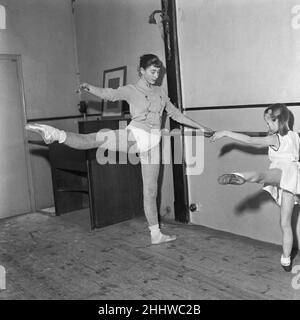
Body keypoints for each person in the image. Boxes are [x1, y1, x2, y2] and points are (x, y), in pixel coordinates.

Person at [26, 54, 213, 245]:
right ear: (141, 71)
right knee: (95, 139)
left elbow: (176, 115)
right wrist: (90, 88)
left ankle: (155, 234)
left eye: (158, 71)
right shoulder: (131, 90)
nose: (156, 75)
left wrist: (201, 127)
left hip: (153, 144)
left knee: (150, 192)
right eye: (152, 71)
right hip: (135, 136)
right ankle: (55, 134)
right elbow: (110, 94)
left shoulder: (161, 93)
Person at [211, 103, 299, 271]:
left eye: (268, 122)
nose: (267, 126)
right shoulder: (295, 136)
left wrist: (226, 132)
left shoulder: (275, 138)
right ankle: (286, 259)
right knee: (285, 223)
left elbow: (250, 140)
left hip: (281, 171)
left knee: (261, 176)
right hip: (294, 177)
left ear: (278, 121)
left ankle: (241, 176)